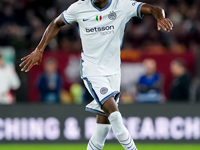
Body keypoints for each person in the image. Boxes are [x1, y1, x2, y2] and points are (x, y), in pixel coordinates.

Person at [19, 0, 173, 149]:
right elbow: (56, 23)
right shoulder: (79, 8)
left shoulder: (122, 6)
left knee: (102, 129)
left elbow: (154, 8)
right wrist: (39, 49)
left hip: (113, 72)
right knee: (116, 118)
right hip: (92, 70)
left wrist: (160, 17)